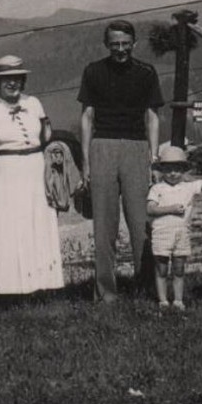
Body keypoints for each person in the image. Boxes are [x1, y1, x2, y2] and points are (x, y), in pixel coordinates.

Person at [77, 19, 165, 302]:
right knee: (104, 225)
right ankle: (106, 293)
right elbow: (87, 117)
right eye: (115, 44)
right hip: (102, 147)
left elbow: (152, 117)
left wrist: (154, 159)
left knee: (141, 223)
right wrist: (87, 161)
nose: (120, 50)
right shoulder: (93, 71)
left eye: (125, 44)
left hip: (137, 147)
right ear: (107, 45)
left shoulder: (146, 73)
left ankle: (147, 287)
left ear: (134, 44)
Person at [0, 55, 64, 300]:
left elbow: (46, 136)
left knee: (39, 224)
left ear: (22, 80)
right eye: (5, 80)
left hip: (36, 167)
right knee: (11, 228)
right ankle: (11, 291)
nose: (11, 84)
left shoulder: (34, 103)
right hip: (7, 171)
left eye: (16, 79)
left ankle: (43, 287)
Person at [146, 145, 202, 313]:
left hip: (181, 233)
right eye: (169, 169)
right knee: (162, 268)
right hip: (162, 234)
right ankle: (163, 300)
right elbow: (150, 209)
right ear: (162, 170)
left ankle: (178, 300)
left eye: (177, 169)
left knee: (179, 268)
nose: (173, 173)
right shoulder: (157, 188)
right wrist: (170, 209)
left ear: (183, 170)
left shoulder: (188, 187)